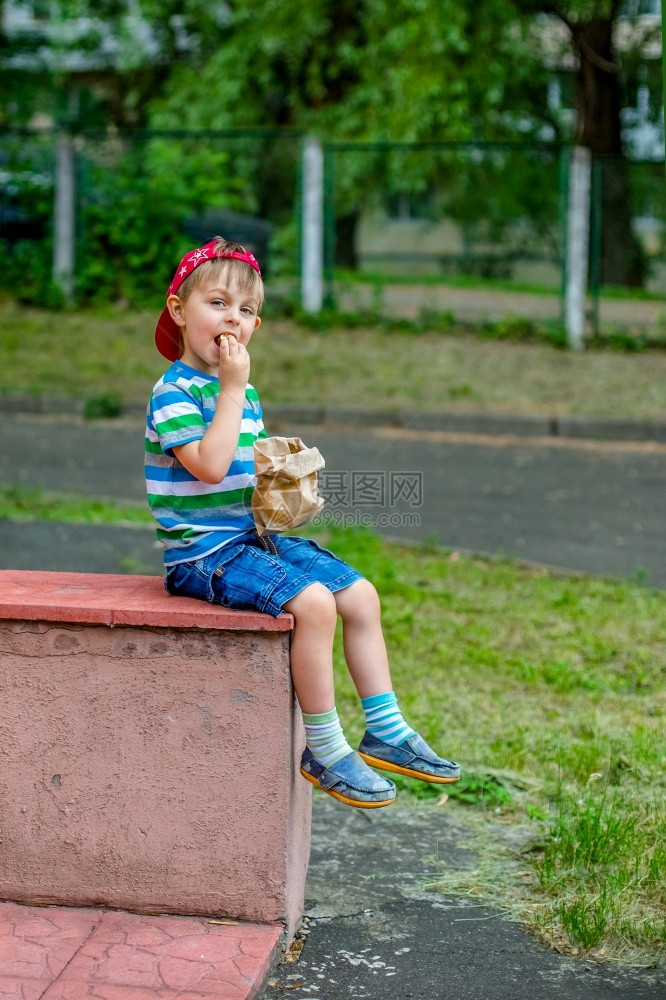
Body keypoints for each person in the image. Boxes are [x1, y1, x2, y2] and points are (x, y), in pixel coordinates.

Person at [145, 237, 460, 809]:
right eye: (217, 304)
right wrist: (234, 391)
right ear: (178, 310)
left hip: (251, 537)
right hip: (202, 557)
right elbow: (211, 467)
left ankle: (385, 731)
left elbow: (244, 472)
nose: (231, 321)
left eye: (245, 312)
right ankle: (325, 746)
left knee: (361, 596)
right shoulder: (174, 393)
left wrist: (283, 478)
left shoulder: (245, 392)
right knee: (314, 604)